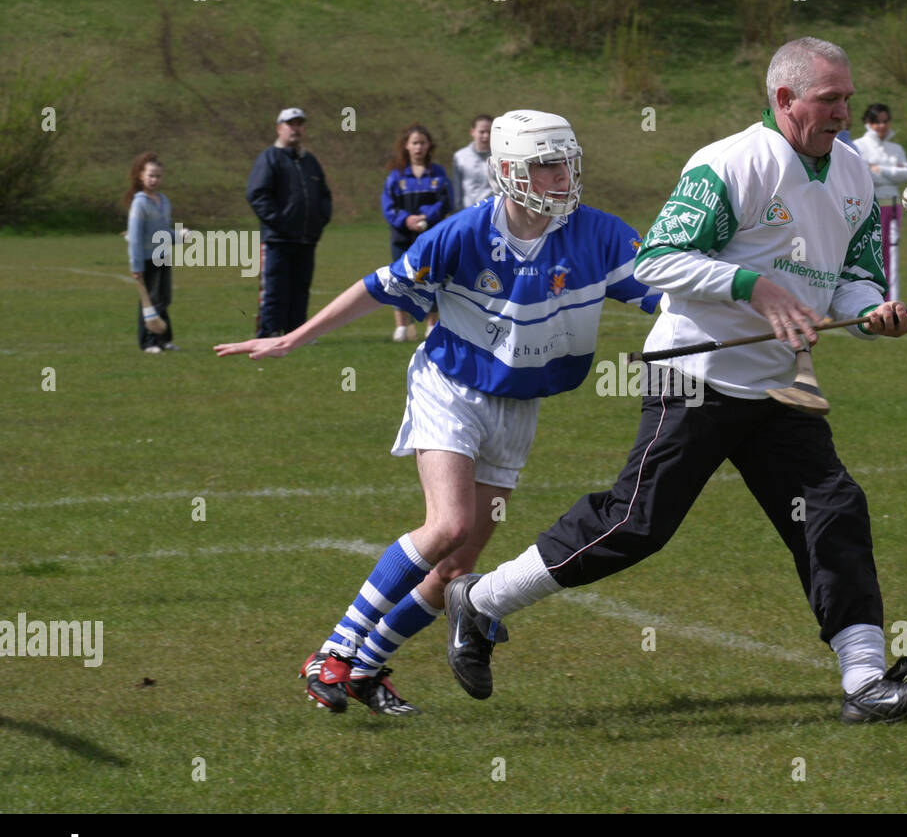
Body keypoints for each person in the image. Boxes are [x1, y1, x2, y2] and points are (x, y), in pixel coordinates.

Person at [442, 38, 907, 725]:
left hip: (778, 385)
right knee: (637, 522)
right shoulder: (731, 163)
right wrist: (755, 286)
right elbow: (658, 259)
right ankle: (479, 601)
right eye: (828, 98)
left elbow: (854, 275)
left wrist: (873, 313)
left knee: (834, 508)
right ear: (783, 98)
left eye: (847, 96)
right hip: (696, 373)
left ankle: (866, 683)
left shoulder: (855, 173)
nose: (843, 110)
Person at [215, 110, 659, 716]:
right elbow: (381, 287)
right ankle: (333, 652)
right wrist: (296, 338)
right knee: (447, 525)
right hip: (449, 386)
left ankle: (366, 669)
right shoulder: (461, 236)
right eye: (545, 165)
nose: (561, 177)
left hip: (519, 403)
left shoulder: (602, 235)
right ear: (508, 172)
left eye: (566, 162)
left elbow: (672, 289)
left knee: (460, 565)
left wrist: (758, 306)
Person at [246, 108, 332, 338]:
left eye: (299, 124)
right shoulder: (270, 158)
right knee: (274, 289)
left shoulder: (309, 161)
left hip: (306, 239)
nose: (295, 128)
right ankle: (269, 332)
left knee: (300, 289)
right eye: (290, 124)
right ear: (279, 128)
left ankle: (296, 333)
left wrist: (318, 221)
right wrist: (280, 222)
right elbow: (257, 194)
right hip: (277, 239)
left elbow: (324, 196)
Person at [383, 123, 452, 342]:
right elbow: (388, 206)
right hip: (402, 237)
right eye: (414, 143)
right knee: (399, 279)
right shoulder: (396, 175)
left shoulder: (438, 173)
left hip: (430, 237)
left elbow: (445, 201)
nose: (418, 147)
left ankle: (432, 325)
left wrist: (425, 216)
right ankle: (402, 327)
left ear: (429, 145)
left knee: (430, 277)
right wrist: (406, 219)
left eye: (422, 143)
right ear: (406, 146)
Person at [854, 104, 907, 302]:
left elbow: (905, 174)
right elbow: (864, 175)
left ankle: (890, 300)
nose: (882, 125)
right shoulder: (858, 146)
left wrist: (880, 170)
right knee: (866, 254)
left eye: (885, 121)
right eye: (877, 121)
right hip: (870, 207)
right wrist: (889, 172)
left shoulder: (896, 148)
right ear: (868, 123)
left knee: (891, 254)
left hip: (893, 206)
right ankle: (866, 299)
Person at [124, 152, 180, 353]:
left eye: (158, 176)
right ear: (141, 176)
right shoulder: (139, 203)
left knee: (164, 299)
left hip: (163, 256)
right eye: (151, 175)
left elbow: (164, 231)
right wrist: (136, 266)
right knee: (150, 301)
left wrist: (180, 236)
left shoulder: (163, 201)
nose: (155, 180)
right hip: (147, 260)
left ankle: (164, 339)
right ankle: (148, 342)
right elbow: (135, 238)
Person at [452, 113, 495, 211]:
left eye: (489, 132)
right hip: (468, 212)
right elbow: (457, 189)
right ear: (472, 132)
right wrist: (458, 212)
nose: (486, 136)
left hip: (493, 212)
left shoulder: (500, 157)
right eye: (482, 132)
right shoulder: (460, 156)